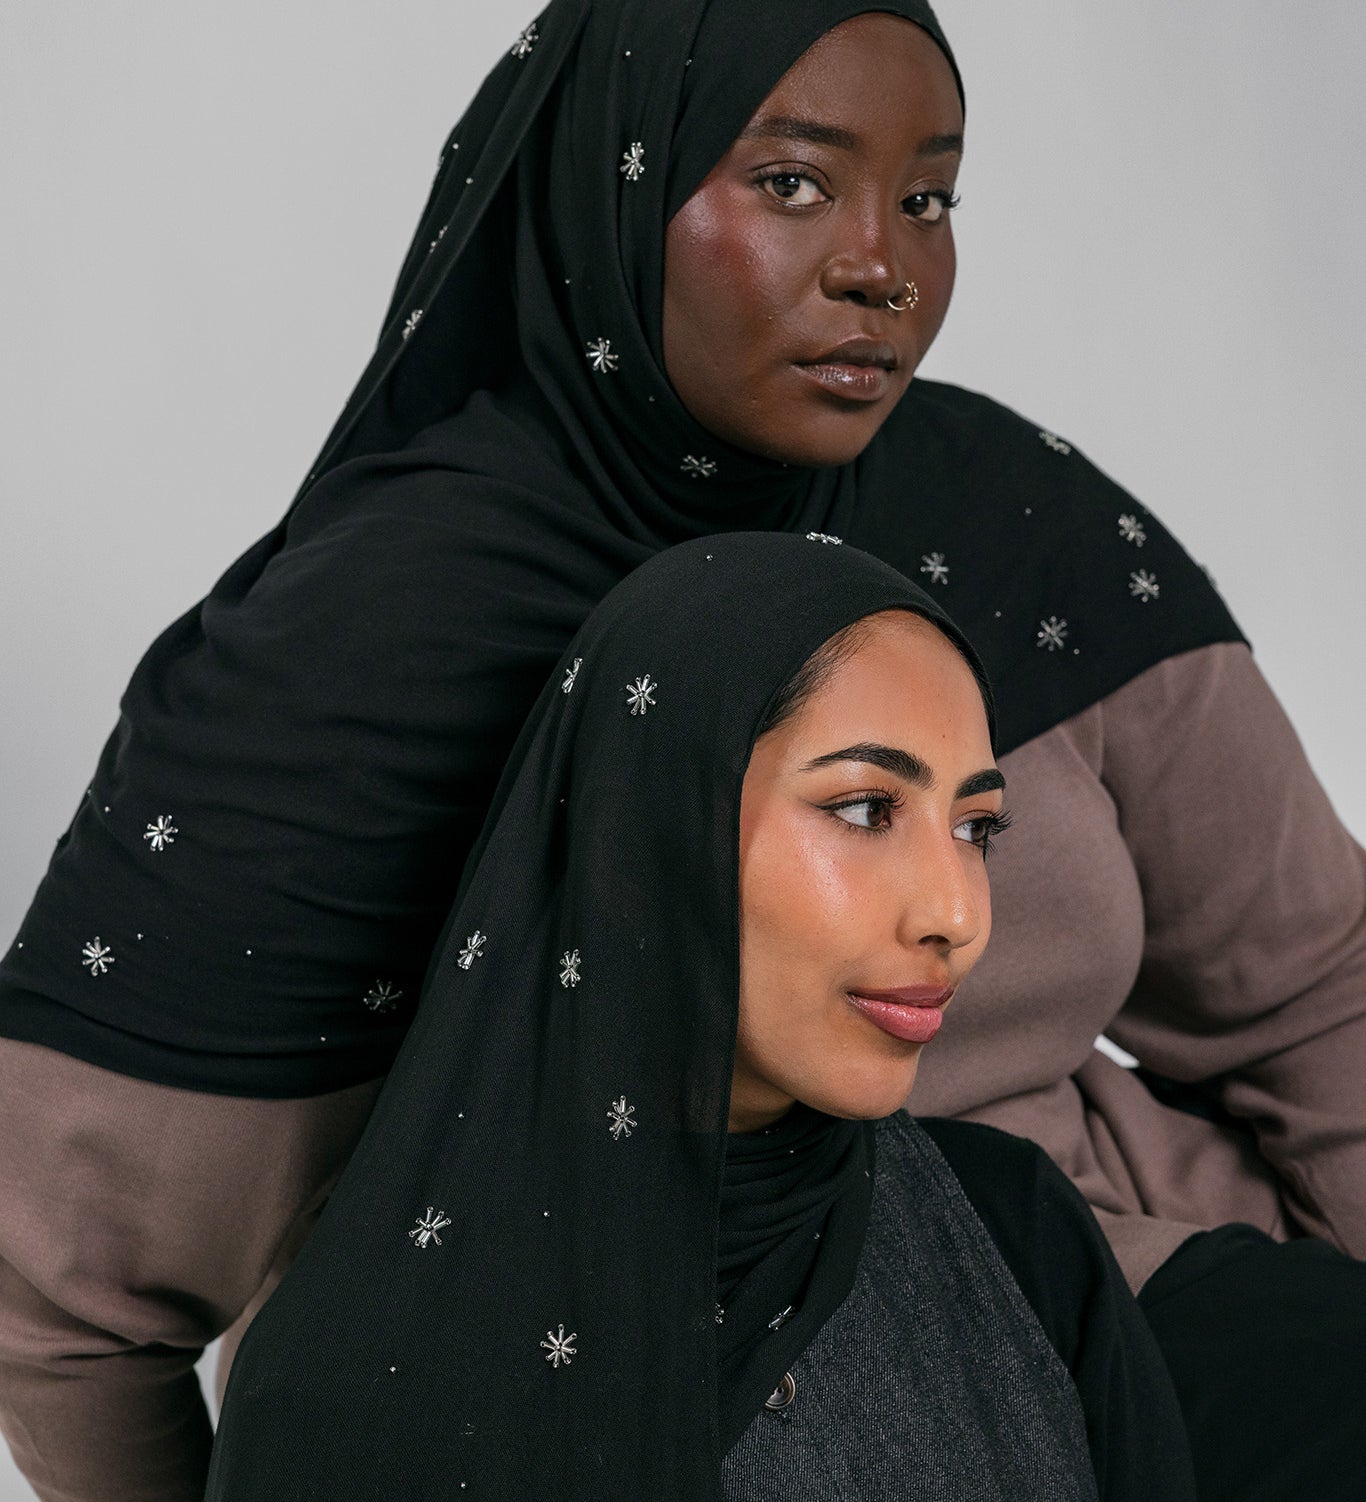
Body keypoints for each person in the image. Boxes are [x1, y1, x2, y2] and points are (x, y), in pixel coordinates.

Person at [0, 2, 1362, 1498]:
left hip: (1092, 1278)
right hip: (563, 1367)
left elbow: (1315, 990)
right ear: (618, 190)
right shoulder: (365, 654)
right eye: (791, 182)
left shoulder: (1002, 522)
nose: (880, 266)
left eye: (926, 197)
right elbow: (70, 1304)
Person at [204, 531, 1196, 1500]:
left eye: (976, 826)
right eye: (863, 809)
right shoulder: (363, 1374)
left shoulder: (1015, 1227)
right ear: (637, 832)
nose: (956, 914)